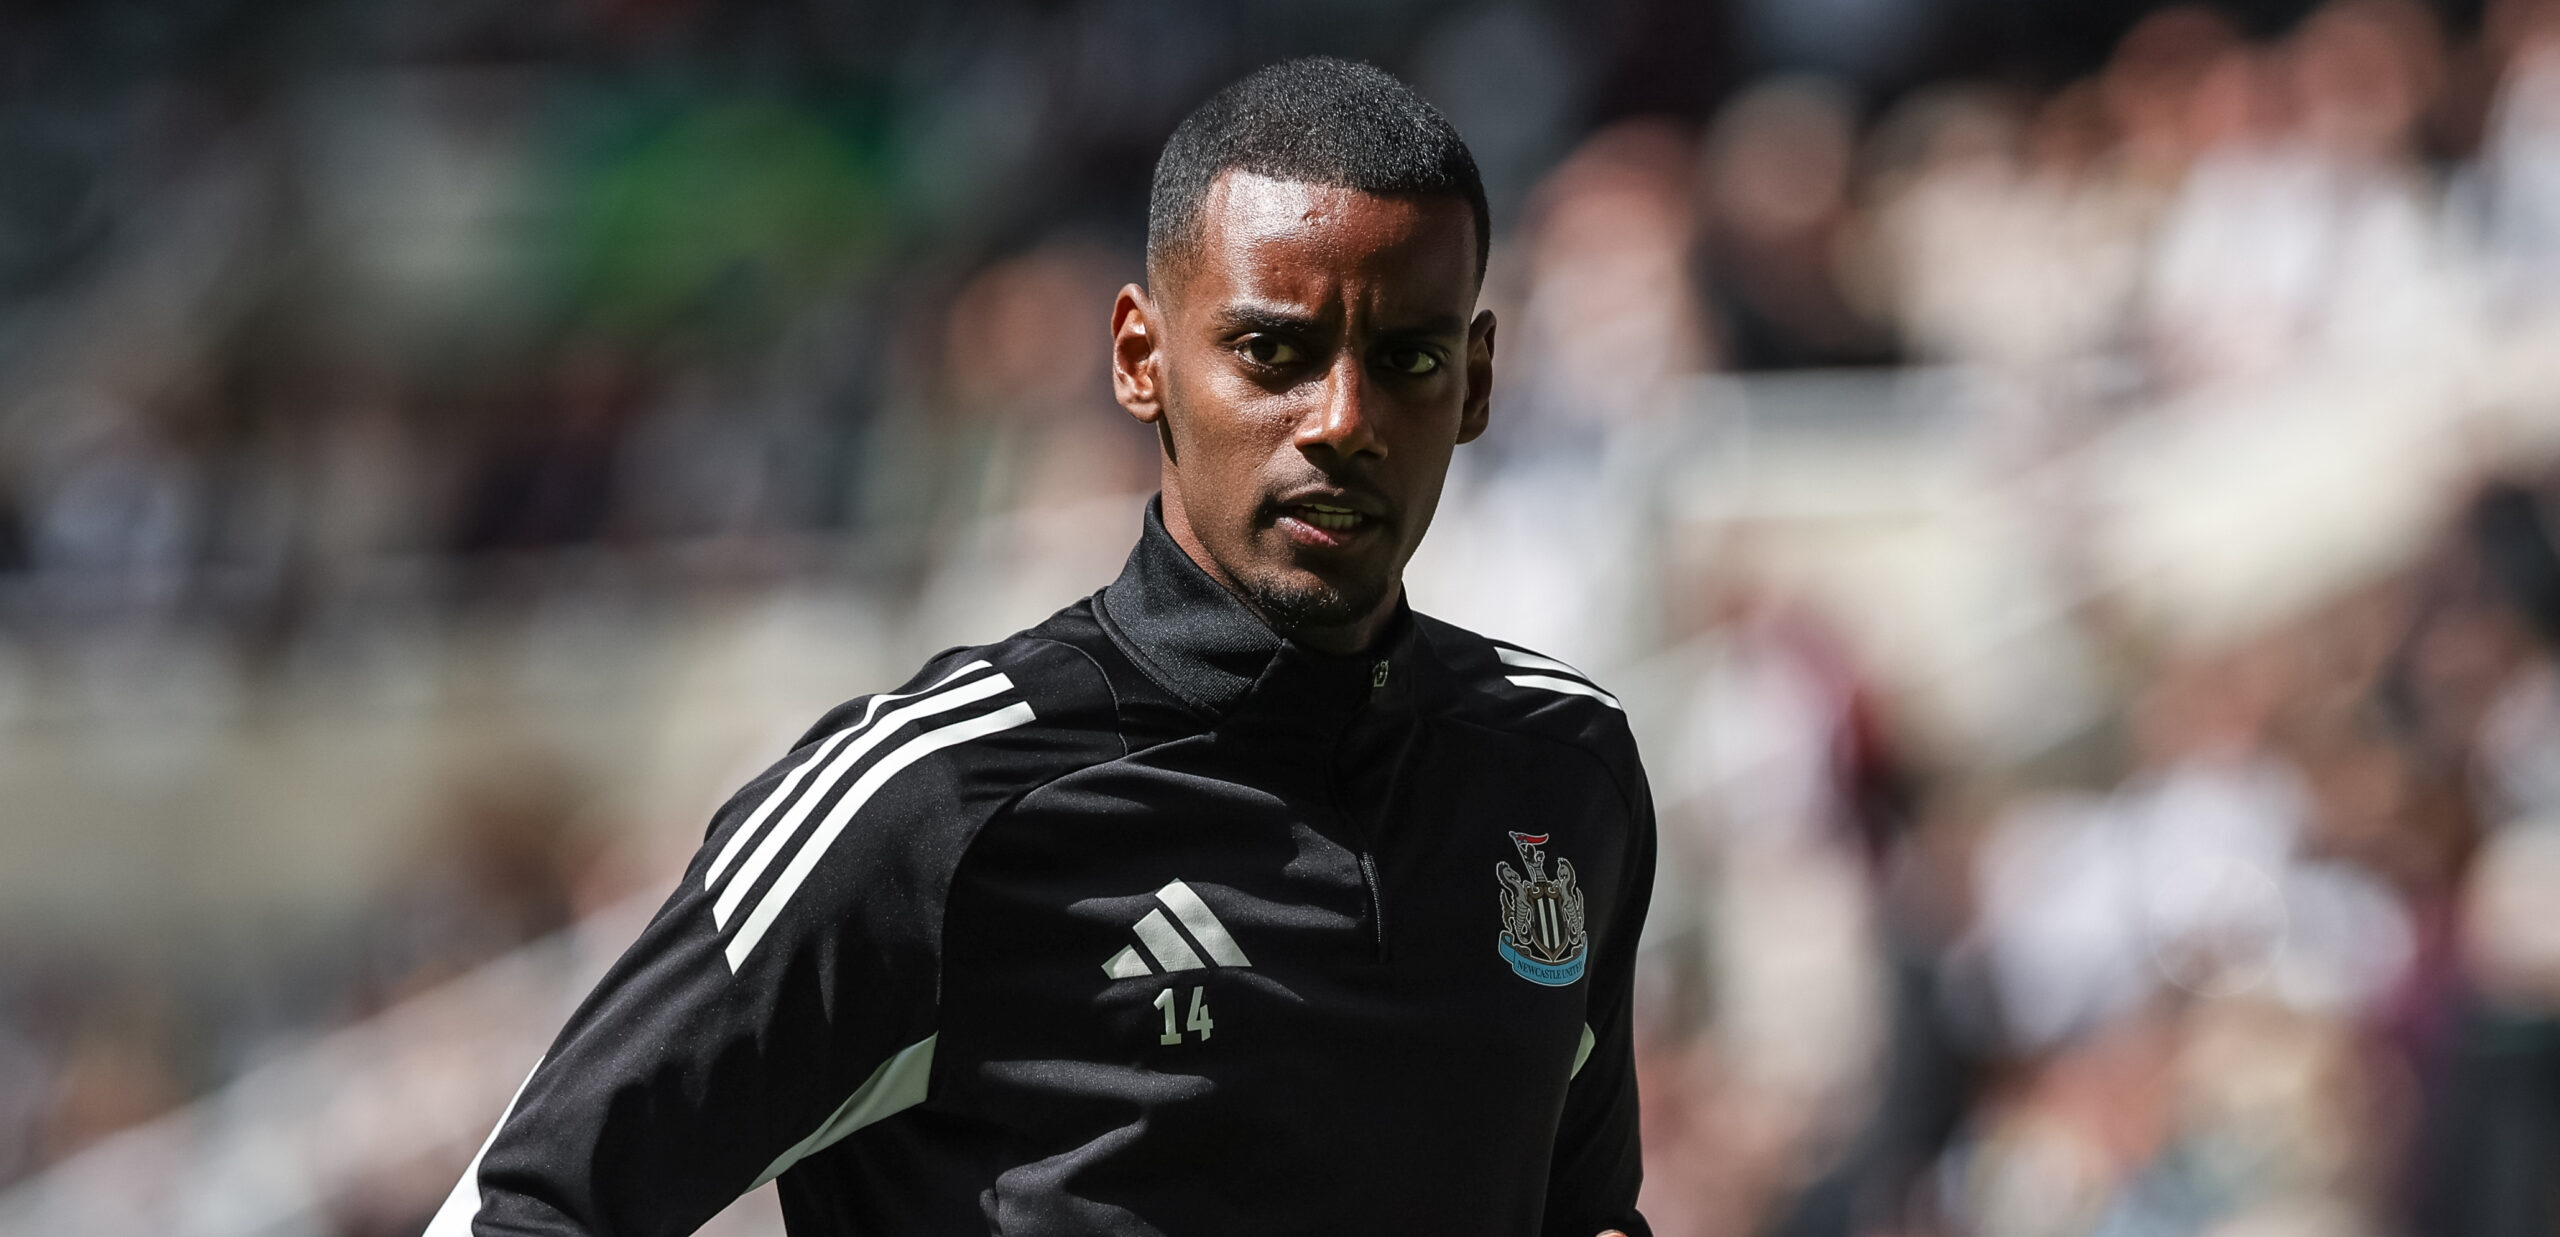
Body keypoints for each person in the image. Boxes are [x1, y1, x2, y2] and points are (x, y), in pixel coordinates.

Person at [426, 56, 1656, 1237]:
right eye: (1271, 352)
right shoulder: (930, 801)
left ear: (1480, 382)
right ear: (1141, 358)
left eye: (1409, 361)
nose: (1342, 420)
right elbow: (523, 1209)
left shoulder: (1562, 768)